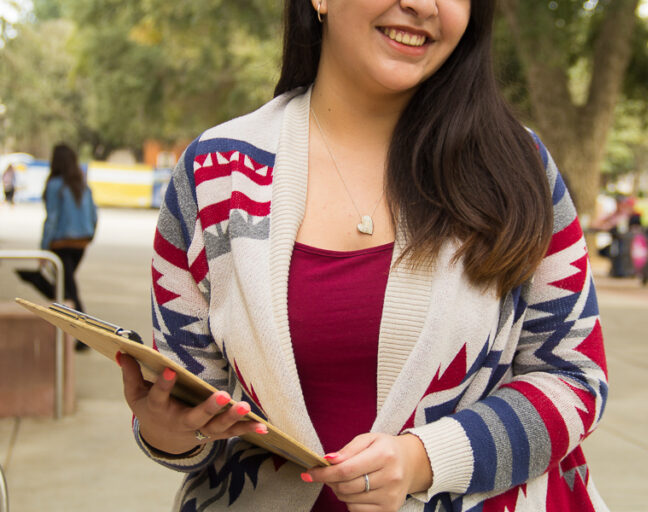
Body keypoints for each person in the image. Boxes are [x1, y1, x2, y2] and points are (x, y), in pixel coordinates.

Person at [117, 1, 609, 511]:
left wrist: (425, 458)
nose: (422, 5)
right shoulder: (214, 173)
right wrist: (167, 432)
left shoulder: (517, 169)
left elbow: (576, 378)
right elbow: (191, 407)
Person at [22, 144, 97, 350]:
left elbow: (52, 219)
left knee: (68, 289)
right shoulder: (81, 183)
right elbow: (93, 214)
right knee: (67, 286)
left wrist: (44, 248)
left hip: (61, 244)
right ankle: (80, 333)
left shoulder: (55, 185)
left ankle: (85, 336)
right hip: (80, 243)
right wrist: (89, 236)